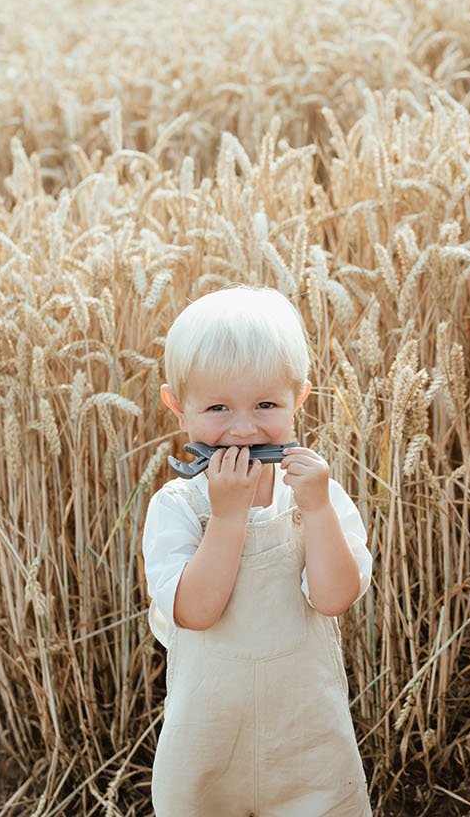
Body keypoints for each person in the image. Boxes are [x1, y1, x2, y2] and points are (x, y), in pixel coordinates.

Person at [142, 286, 373, 816]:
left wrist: (316, 510)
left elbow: (335, 598)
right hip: (209, 742)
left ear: (301, 401)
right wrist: (227, 518)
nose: (244, 428)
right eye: (219, 407)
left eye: (266, 405)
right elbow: (195, 612)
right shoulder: (178, 505)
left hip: (306, 739)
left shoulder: (315, 493)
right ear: (178, 409)